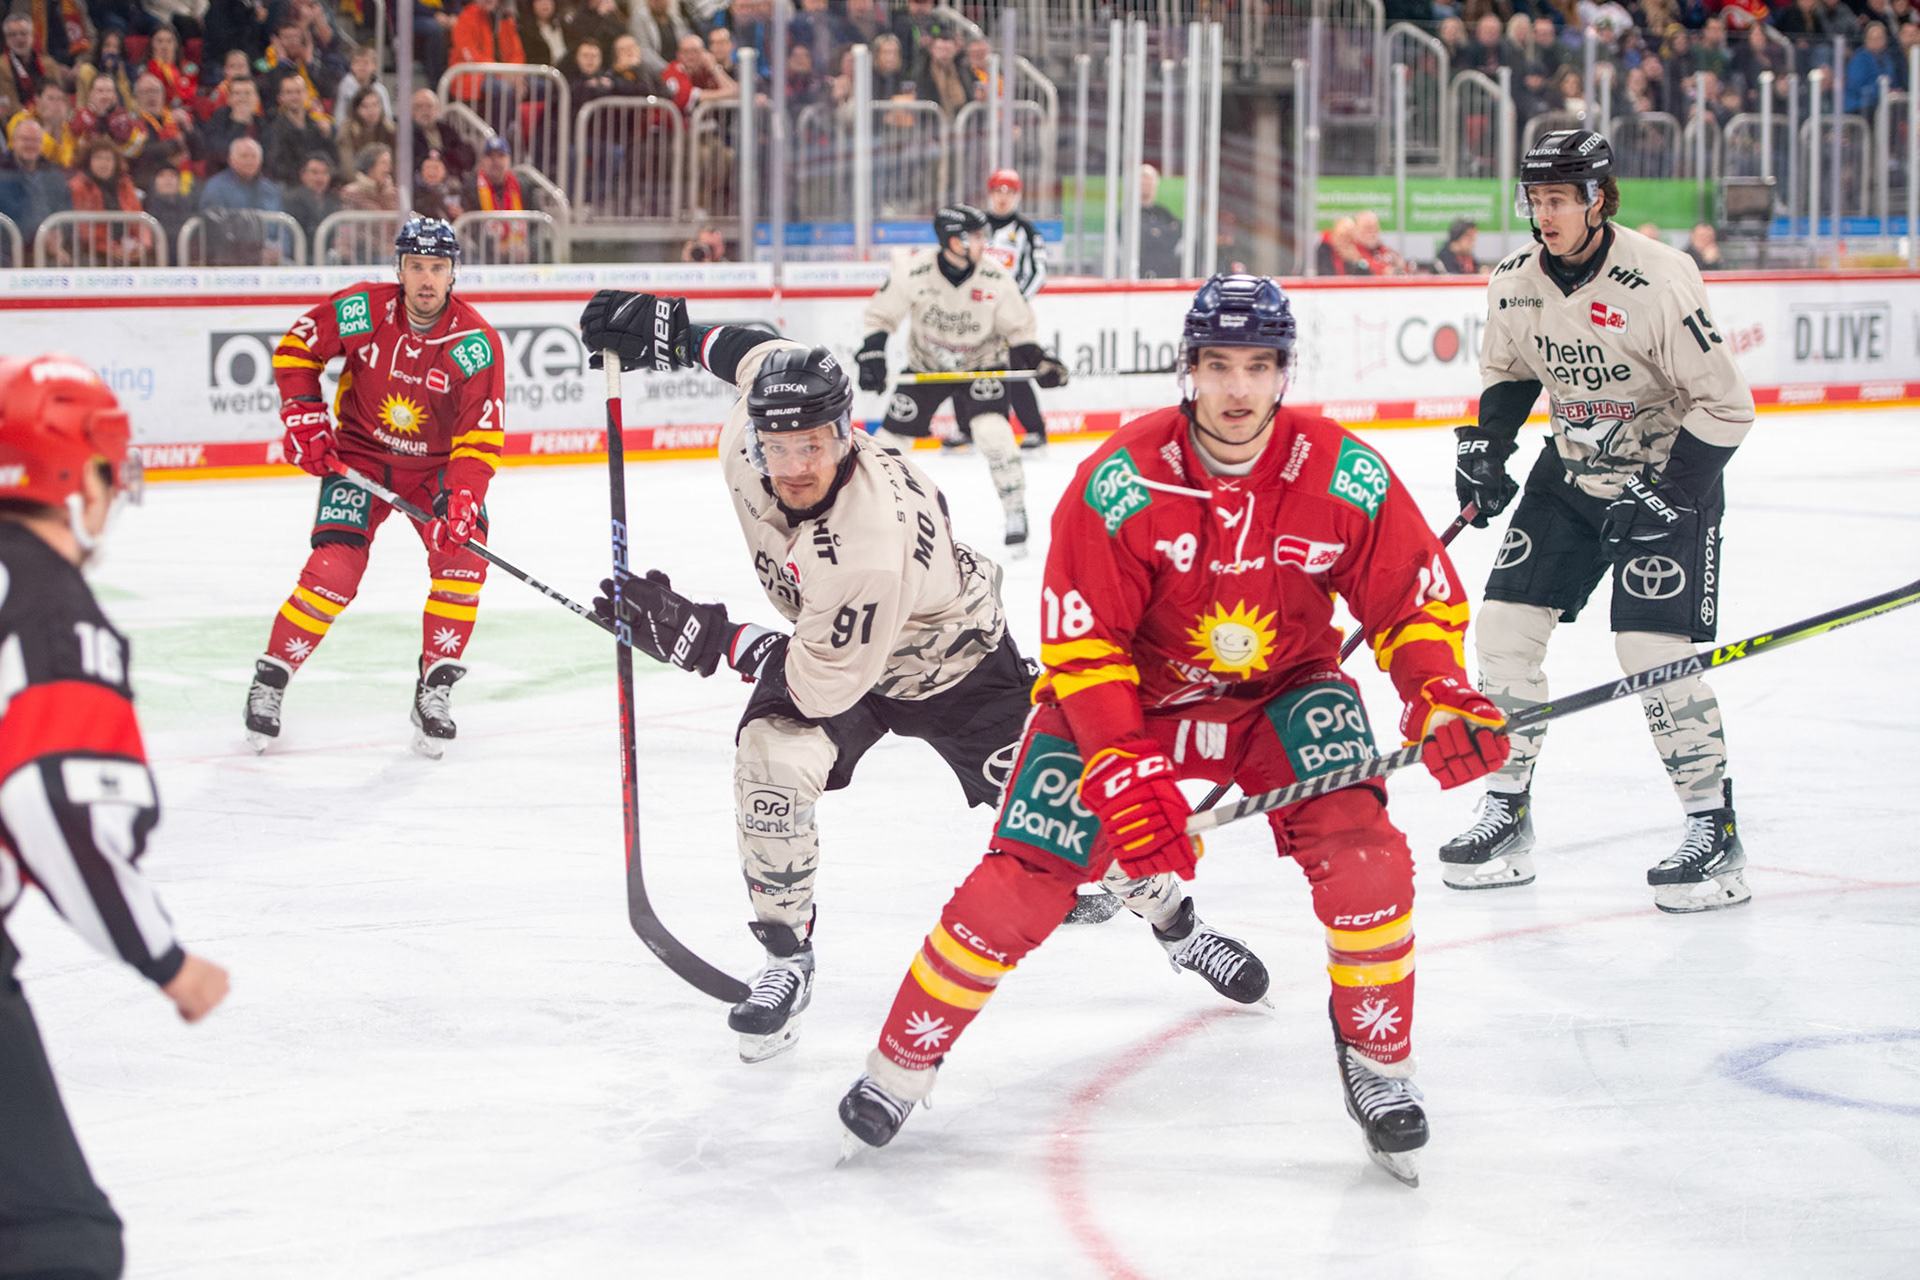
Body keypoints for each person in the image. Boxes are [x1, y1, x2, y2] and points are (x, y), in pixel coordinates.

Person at [833, 275, 1511, 1187]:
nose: (1238, 390)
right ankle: (901, 1066)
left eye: (1259, 368)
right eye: (1219, 366)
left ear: (1283, 373)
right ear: (1188, 370)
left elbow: (1412, 601)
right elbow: (1083, 643)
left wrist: (1438, 693)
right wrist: (1118, 762)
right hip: (1128, 698)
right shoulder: (1119, 481)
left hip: (1282, 692)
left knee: (1366, 854)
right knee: (1027, 876)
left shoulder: (1342, 471)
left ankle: (1380, 1061)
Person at [576, 294, 1269, 1064]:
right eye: (781, 447)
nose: (797, 465)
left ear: (845, 434)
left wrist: (707, 638)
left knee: (1077, 819)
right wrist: (671, 332)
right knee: (773, 764)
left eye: (815, 445)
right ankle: (786, 959)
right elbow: (756, 351)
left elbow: (814, 688)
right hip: (840, 650)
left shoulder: (865, 543)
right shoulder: (756, 426)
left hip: (956, 665)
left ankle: (1179, 927)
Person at [1445, 130, 1755, 914]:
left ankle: (1711, 826)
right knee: (1504, 630)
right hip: (1572, 471)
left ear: (1596, 199)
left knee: (1649, 648)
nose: (1543, 214)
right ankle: (1507, 810)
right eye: (1535, 199)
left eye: (1558, 199)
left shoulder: (1659, 277)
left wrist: (1669, 494)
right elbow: (1511, 372)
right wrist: (1487, 450)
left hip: (1665, 475)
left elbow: (1728, 404)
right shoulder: (1514, 280)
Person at [0, 353, 231, 1280]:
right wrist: (164, 962)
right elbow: (59, 804)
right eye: (107, 464)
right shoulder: (55, 613)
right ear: (75, 475)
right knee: (59, 1239)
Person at [242, 217, 507, 758]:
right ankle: (270, 681)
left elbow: (480, 435)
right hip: (359, 462)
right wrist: (303, 416)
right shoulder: (364, 309)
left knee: (463, 564)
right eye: (417, 267)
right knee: (331, 573)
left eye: (438, 267)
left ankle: (434, 687)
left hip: (434, 474)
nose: (427, 279)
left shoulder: (475, 343)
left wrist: (462, 497)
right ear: (400, 270)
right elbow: (296, 348)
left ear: (453, 272)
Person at [856, 204, 1070, 552]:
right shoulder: (916, 271)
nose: (983, 243)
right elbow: (880, 315)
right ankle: (870, 514)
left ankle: (1015, 510)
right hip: (927, 367)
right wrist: (873, 353)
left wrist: (1040, 361)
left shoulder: (995, 277)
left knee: (993, 433)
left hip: (981, 365)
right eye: (975, 236)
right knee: (890, 443)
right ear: (953, 241)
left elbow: (1019, 330)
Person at [981, 168, 1050, 449]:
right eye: (998, 191)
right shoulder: (976, 227)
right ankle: (967, 428)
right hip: (978, 313)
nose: (1002, 198)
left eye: (1009, 192)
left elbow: (1039, 273)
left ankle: (1035, 429)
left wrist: (1015, 303)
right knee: (969, 370)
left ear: (1018, 196)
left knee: (1017, 370)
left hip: (1012, 317)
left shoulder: (1027, 231)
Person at [1138, 162, 1183, 278]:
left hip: (1169, 273)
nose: (1147, 187)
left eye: (1150, 184)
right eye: (1144, 183)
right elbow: (1145, 239)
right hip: (1142, 273)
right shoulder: (1129, 213)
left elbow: (1180, 229)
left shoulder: (1162, 212)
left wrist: (1158, 232)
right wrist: (1167, 231)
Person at [1352, 209, 1406, 275]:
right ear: (1356, 230)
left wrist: (1400, 267)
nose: (1370, 232)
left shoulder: (1384, 250)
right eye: (1366, 228)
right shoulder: (1352, 251)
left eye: (1373, 228)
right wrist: (1384, 271)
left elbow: (1404, 268)